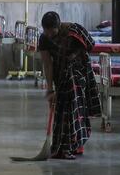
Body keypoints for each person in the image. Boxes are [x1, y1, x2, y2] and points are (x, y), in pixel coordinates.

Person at [38, 11, 101, 159]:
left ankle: (73, 147)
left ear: (58, 27)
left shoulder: (73, 31)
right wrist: (49, 89)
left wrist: (75, 54)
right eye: (46, 32)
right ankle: (62, 147)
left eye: (51, 32)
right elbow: (47, 64)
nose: (48, 35)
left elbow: (90, 45)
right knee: (62, 112)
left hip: (78, 75)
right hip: (60, 76)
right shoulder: (44, 40)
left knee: (74, 109)